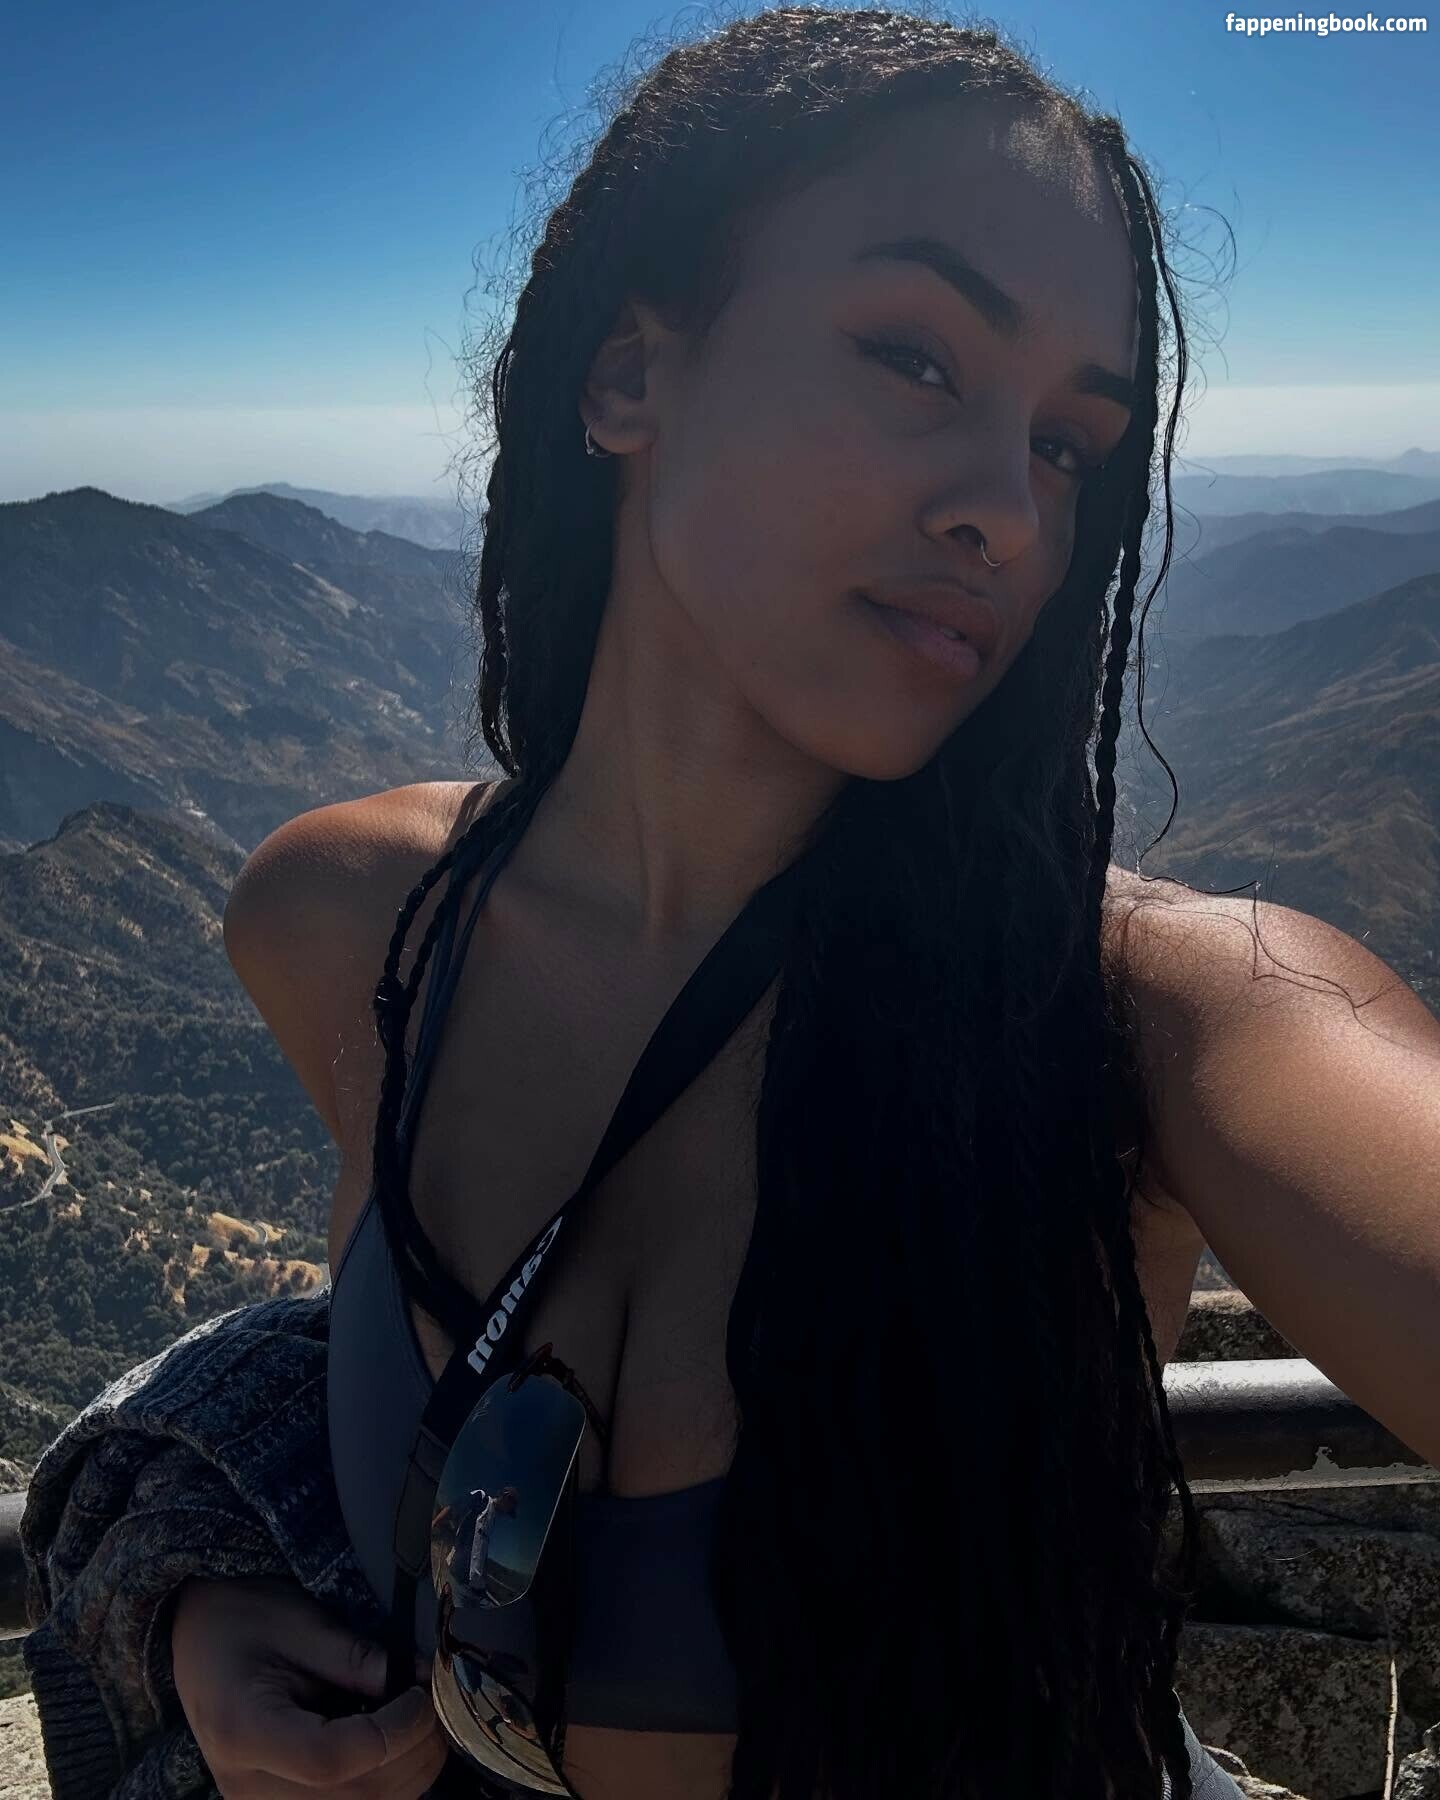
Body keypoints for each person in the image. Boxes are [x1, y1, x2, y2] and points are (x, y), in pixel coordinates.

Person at [145, 7, 1440, 1799]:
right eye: (917, 356)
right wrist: (201, 1594)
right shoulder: (351, 927)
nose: (1009, 512)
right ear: (628, 377)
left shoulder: (1144, 1020)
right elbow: (386, 1399)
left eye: (1071, 445)